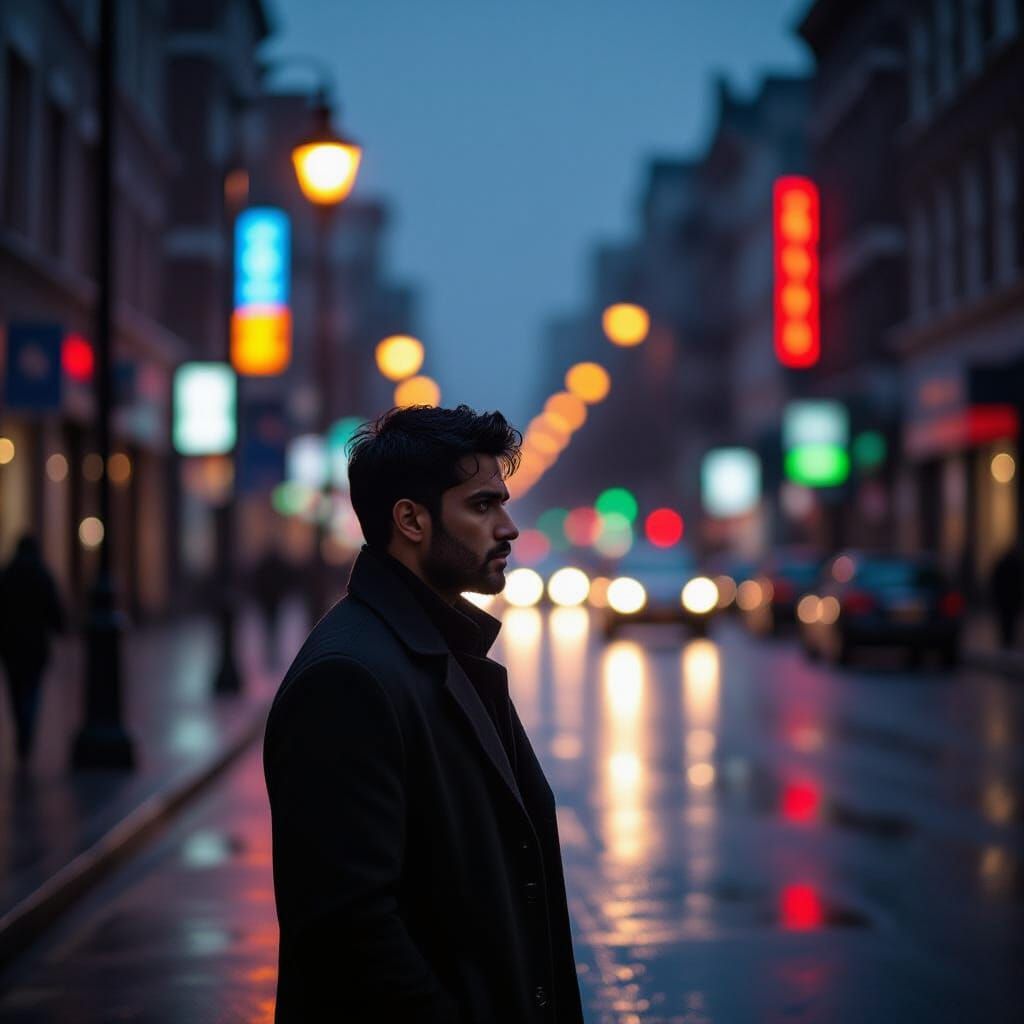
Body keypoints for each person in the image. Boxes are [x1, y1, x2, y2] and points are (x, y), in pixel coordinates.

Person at [263, 406, 584, 1024]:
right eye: (483, 506)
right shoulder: (348, 678)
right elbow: (349, 934)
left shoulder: (440, 649)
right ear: (411, 519)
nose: (509, 528)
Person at [0, 535, 66, 767]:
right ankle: (26, 731)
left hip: (10, 648)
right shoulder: (42, 575)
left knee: (16, 692)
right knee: (31, 691)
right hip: (36, 648)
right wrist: (60, 628)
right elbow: (55, 611)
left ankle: (21, 728)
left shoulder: (6, 574)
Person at [990, 544, 1023, 650]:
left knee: (1006, 620)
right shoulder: (1015, 565)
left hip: (1006, 598)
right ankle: (1007, 640)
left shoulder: (1004, 564)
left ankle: (1006, 640)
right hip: (1010, 598)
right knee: (1009, 620)